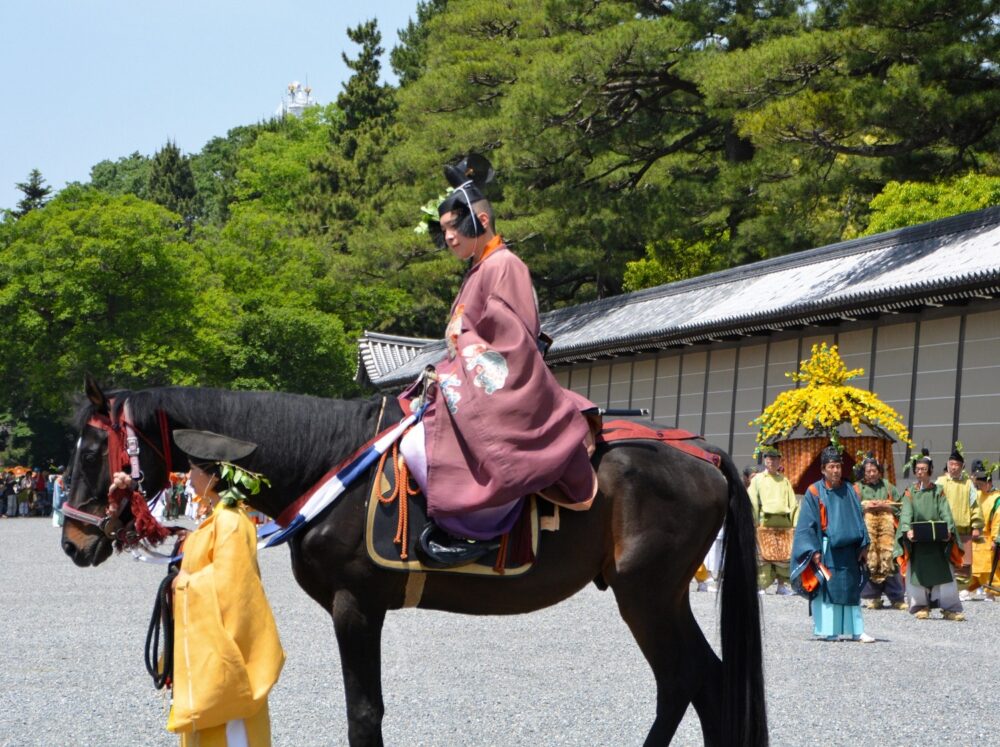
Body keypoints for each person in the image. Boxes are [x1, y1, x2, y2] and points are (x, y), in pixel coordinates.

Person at [400, 154, 597, 567]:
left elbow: (513, 344)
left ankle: (477, 532)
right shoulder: (480, 268)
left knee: (419, 444)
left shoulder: (505, 265)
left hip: (499, 384)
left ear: (483, 221)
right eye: (443, 230)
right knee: (410, 431)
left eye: (454, 227)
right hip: (470, 379)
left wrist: (461, 348)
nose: (448, 237)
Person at [162, 429, 285, 746]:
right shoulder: (218, 519)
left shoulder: (229, 522)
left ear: (213, 477)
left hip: (227, 663)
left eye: (193, 470)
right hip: (211, 657)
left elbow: (234, 589)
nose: (188, 478)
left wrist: (183, 585)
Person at [791, 446, 874, 642]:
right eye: (831, 467)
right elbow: (806, 525)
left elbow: (859, 519)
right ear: (823, 469)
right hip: (827, 549)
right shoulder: (814, 491)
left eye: (838, 466)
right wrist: (813, 550)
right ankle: (829, 630)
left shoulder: (850, 489)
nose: (836, 470)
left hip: (851, 549)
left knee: (851, 588)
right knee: (829, 588)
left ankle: (856, 630)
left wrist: (864, 545)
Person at [895, 450, 965, 621]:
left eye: (924, 469)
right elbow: (906, 513)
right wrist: (907, 529)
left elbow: (945, 511)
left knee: (945, 575)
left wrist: (948, 529)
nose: (920, 472)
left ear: (930, 471)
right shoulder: (910, 492)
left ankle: (950, 608)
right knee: (917, 575)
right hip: (918, 542)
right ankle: (921, 606)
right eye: (918, 469)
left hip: (937, 541)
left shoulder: (938, 491)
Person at [853, 453, 906, 610]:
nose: (871, 474)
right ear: (863, 472)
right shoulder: (857, 488)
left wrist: (887, 506)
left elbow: (901, 507)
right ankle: (873, 597)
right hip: (867, 532)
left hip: (887, 533)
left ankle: (897, 598)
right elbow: (851, 508)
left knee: (890, 561)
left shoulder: (888, 487)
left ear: (879, 471)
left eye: (874, 470)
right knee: (869, 561)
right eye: (868, 471)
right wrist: (865, 507)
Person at [747, 446, 797, 595]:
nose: (772, 462)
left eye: (775, 459)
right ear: (765, 461)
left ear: (779, 461)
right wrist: (754, 521)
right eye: (769, 459)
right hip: (764, 522)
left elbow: (793, 504)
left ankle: (781, 585)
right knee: (763, 555)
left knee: (783, 555)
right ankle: (761, 585)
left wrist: (795, 524)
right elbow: (752, 501)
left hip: (784, 523)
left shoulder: (784, 480)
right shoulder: (757, 480)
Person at [935, 445, 983, 596]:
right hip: (943, 529)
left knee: (963, 562)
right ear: (947, 465)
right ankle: (942, 589)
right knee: (943, 560)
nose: (954, 467)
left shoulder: (968, 484)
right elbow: (933, 503)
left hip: (963, 529)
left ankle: (960, 591)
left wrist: (976, 526)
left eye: (957, 465)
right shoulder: (940, 482)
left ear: (962, 467)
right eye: (951, 464)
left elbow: (975, 505)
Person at [969, 459, 1000, 600]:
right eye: (978, 485)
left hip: (990, 536)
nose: (980, 487)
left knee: (990, 567)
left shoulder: (997, 498)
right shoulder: (978, 495)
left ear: (989, 483)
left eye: (981, 485)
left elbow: (998, 520)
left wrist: (995, 539)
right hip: (978, 535)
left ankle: (991, 591)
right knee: (975, 565)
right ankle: (971, 589)